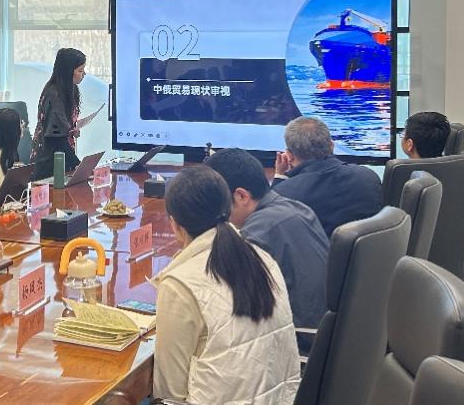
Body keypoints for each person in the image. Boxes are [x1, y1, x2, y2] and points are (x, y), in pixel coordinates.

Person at [152, 165, 299, 403]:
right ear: (229, 208)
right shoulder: (262, 258)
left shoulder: (180, 283)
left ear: (175, 225)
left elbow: (169, 394)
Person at [206, 147, 328, 339]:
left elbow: (232, 311)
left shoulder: (256, 235)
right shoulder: (299, 208)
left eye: (218, 204)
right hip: (325, 336)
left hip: (296, 344)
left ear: (241, 196)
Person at [272, 116, 382, 238]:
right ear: (332, 146)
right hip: (369, 250)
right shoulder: (368, 177)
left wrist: (279, 178)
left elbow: (270, 223)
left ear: (289, 155)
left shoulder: (286, 193)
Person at [30, 47, 86, 179]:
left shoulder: (70, 89)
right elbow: (56, 138)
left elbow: (62, 127)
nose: (84, 74)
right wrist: (79, 165)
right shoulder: (54, 95)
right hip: (49, 164)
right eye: (80, 70)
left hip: (62, 159)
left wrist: (71, 130)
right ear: (68, 71)